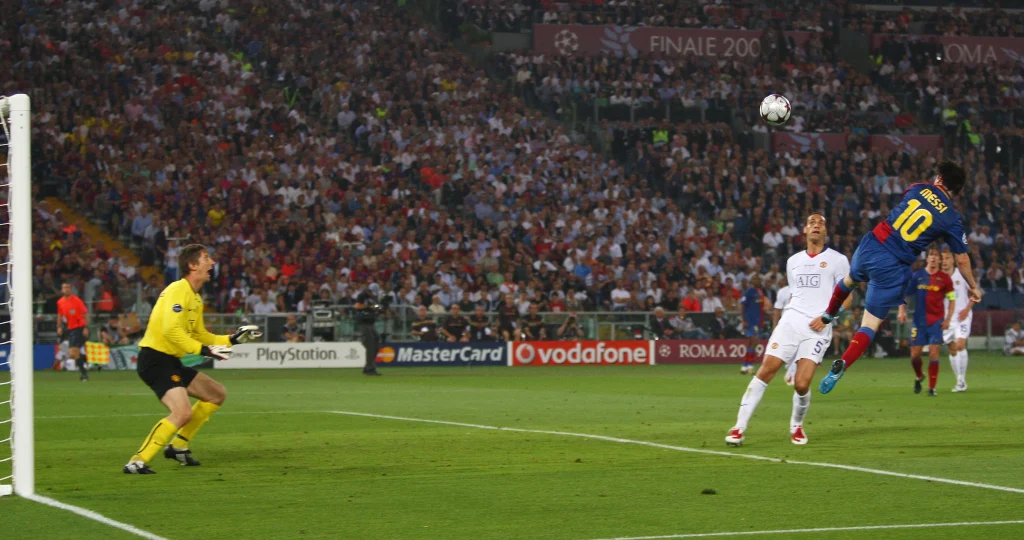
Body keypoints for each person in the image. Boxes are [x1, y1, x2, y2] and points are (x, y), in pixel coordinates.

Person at [818, 161, 983, 394]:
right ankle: (843, 362)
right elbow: (963, 259)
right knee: (869, 324)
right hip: (893, 265)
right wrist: (973, 286)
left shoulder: (918, 188)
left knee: (849, 280)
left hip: (872, 245)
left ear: (939, 178)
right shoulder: (951, 219)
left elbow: (911, 204)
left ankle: (829, 312)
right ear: (957, 189)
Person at [123, 244, 262, 474]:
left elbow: (200, 334)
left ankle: (178, 446)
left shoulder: (195, 298)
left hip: (171, 361)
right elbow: (171, 331)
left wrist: (233, 340)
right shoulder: (178, 290)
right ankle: (137, 461)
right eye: (207, 258)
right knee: (182, 412)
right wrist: (204, 351)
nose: (212, 263)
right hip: (155, 359)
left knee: (216, 394)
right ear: (192, 265)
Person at [726, 214, 851, 447]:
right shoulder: (793, 261)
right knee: (766, 370)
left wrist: (828, 317)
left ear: (825, 231)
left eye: (821, 223)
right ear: (804, 230)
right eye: (812, 222)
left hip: (818, 327)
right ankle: (738, 428)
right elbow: (796, 295)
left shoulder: (838, 260)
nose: (816, 225)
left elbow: (848, 298)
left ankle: (796, 426)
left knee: (801, 384)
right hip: (791, 322)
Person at [898, 247, 954, 396]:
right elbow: (904, 294)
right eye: (931, 255)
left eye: (936, 256)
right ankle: (919, 376)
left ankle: (932, 388)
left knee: (934, 353)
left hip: (936, 322)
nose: (934, 258)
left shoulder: (945, 279)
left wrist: (948, 318)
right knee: (914, 355)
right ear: (927, 258)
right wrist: (901, 311)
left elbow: (952, 299)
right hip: (919, 321)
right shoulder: (918, 276)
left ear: (940, 260)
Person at [940, 249, 975, 392]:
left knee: (960, 344)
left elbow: (975, 293)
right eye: (943, 258)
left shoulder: (961, 274)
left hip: (962, 317)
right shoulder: (938, 277)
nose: (944, 261)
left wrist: (967, 309)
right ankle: (960, 380)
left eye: (947, 258)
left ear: (953, 260)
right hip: (947, 319)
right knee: (952, 349)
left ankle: (961, 381)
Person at [56, 282, 90, 381]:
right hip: (70, 329)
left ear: (70, 289)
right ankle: (86, 367)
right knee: (74, 354)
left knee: (73, 352)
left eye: (68, 287)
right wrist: (59, 327)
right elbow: (60, 315)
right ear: (62, 290)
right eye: (64, 287)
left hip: (79, 328)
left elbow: (85, 313)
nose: (66, 289)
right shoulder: (60, 302)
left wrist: (86, 327)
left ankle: (84, 373)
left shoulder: (77, 300)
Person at [353, 289, 384, 376]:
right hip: (364, 323)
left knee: (376, 343)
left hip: (371, 323)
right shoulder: (362, 296)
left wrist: (378, 308)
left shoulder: (373, 299)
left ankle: (369, 365)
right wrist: (369, 307)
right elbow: (357, 306)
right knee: (370, 344)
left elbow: (375, 308)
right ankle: (369, 368)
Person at [773, 278, 797, 386]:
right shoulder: (782, 292)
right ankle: (790, 369)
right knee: (789, 350)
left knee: (798, 349)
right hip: (786, 324)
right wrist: (775, 327)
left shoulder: (805, 290)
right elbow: (777, 310)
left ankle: (792, 373)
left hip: (801, 324)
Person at [739, 276, 765, 375]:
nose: (758, 282)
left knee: (753, 343)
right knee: (754, 341)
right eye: (755, 280)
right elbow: (742, 305)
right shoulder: (749, 292)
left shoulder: (760, 292)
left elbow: (759, 307)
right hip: (750, 321)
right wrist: (743, 320)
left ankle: (745, 366)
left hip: (757, 321)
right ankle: (749, 365)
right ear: (752, 282)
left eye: (758, 280)